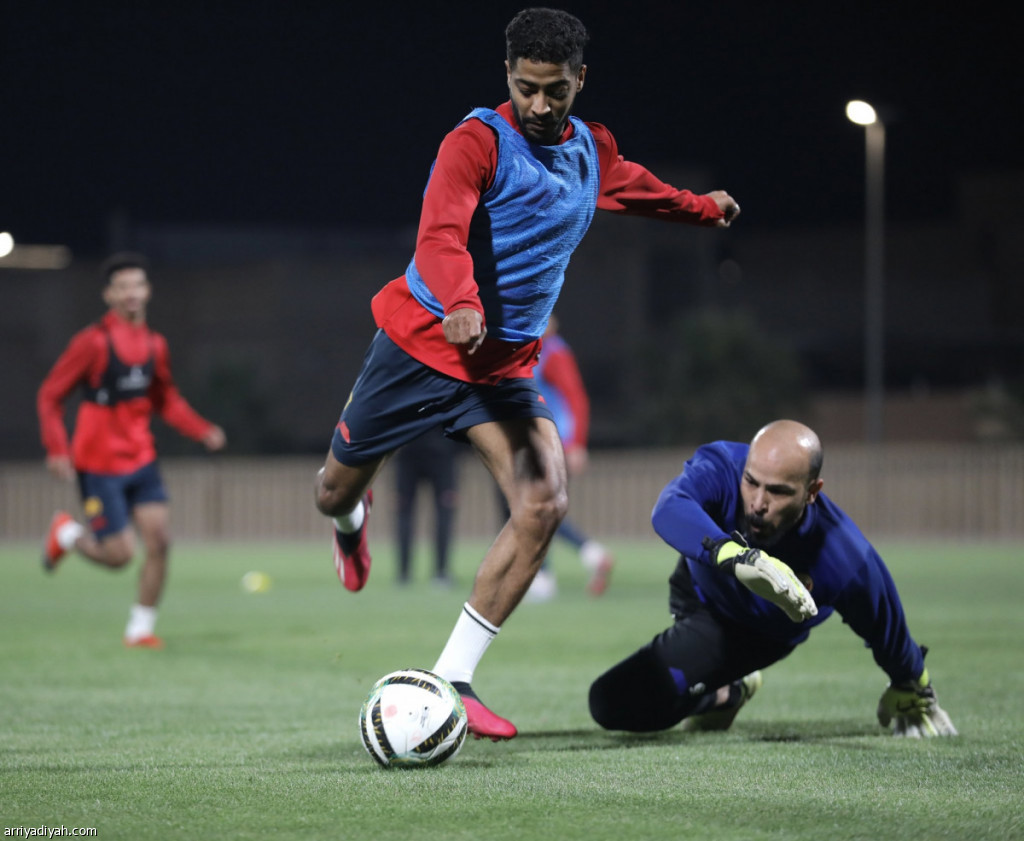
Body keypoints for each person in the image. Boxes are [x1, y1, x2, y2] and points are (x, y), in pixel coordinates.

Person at [314, 7, 740, 741]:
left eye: (555, 90)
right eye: (526, 88)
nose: (540, 105)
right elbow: (440, 234)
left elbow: (634, 186)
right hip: (421, 347)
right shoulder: (476, 142)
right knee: (331, 492)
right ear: (507, 75)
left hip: (501, 369)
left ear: (580, 80)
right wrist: (461, 301)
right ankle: (352, 526)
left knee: (544, 501)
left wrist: (702, 209)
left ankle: (453, 678)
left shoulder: (590, 150)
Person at [588, 420, 957, 739]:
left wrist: (913, 685)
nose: (758, 502)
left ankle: (728, 690)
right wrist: (737, 557)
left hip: (749, 636)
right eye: (752, 482)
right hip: (694, 589)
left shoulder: (843, 556)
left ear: (812, 492)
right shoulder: (724, 464)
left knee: (609, 702)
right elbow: (669, 507)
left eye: (778, 491)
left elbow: (886, 627)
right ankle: (723, 686)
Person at [37, 252, 226, 649]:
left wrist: (202, 430)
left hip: (141, 458)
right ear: (108, 295)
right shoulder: (92, 342)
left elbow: (165, 399)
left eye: (137, 285)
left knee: (160, 541)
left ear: (148, 290)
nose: (131, 293)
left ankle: (140, 629)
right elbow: (50, 395)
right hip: (98, 465)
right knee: (119, 556)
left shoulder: (156, 344)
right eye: (122, 287)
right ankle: (67, 533)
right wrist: (57, 448)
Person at [515, 314, 614, 601]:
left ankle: (545, 576)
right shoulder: (535, 352)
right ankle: (591, 556)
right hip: (539, 440)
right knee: (539, 507)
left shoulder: (555, 353)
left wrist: (576, 444)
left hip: (554, 441)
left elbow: (575, 398)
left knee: (535, 506)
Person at [394, 427, 460, 586]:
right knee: (441, 515)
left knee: (408, 515)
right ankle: (438, 573)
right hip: (434, 453)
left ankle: (406, 575)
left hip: (418, 451)